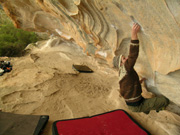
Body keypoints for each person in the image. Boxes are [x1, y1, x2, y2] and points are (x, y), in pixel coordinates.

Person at [118, 23, 169, 114]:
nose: (126, 58)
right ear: (121, 64)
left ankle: (146, 109)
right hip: (137, 105)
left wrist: (139, 82)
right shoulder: (126, 68)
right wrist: (134, 35)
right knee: (164, 101)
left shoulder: (122, 73)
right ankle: (158, 108)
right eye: (123, 59)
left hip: (134, 104)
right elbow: (133, 55)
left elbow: (126, 86)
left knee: (147, 105)